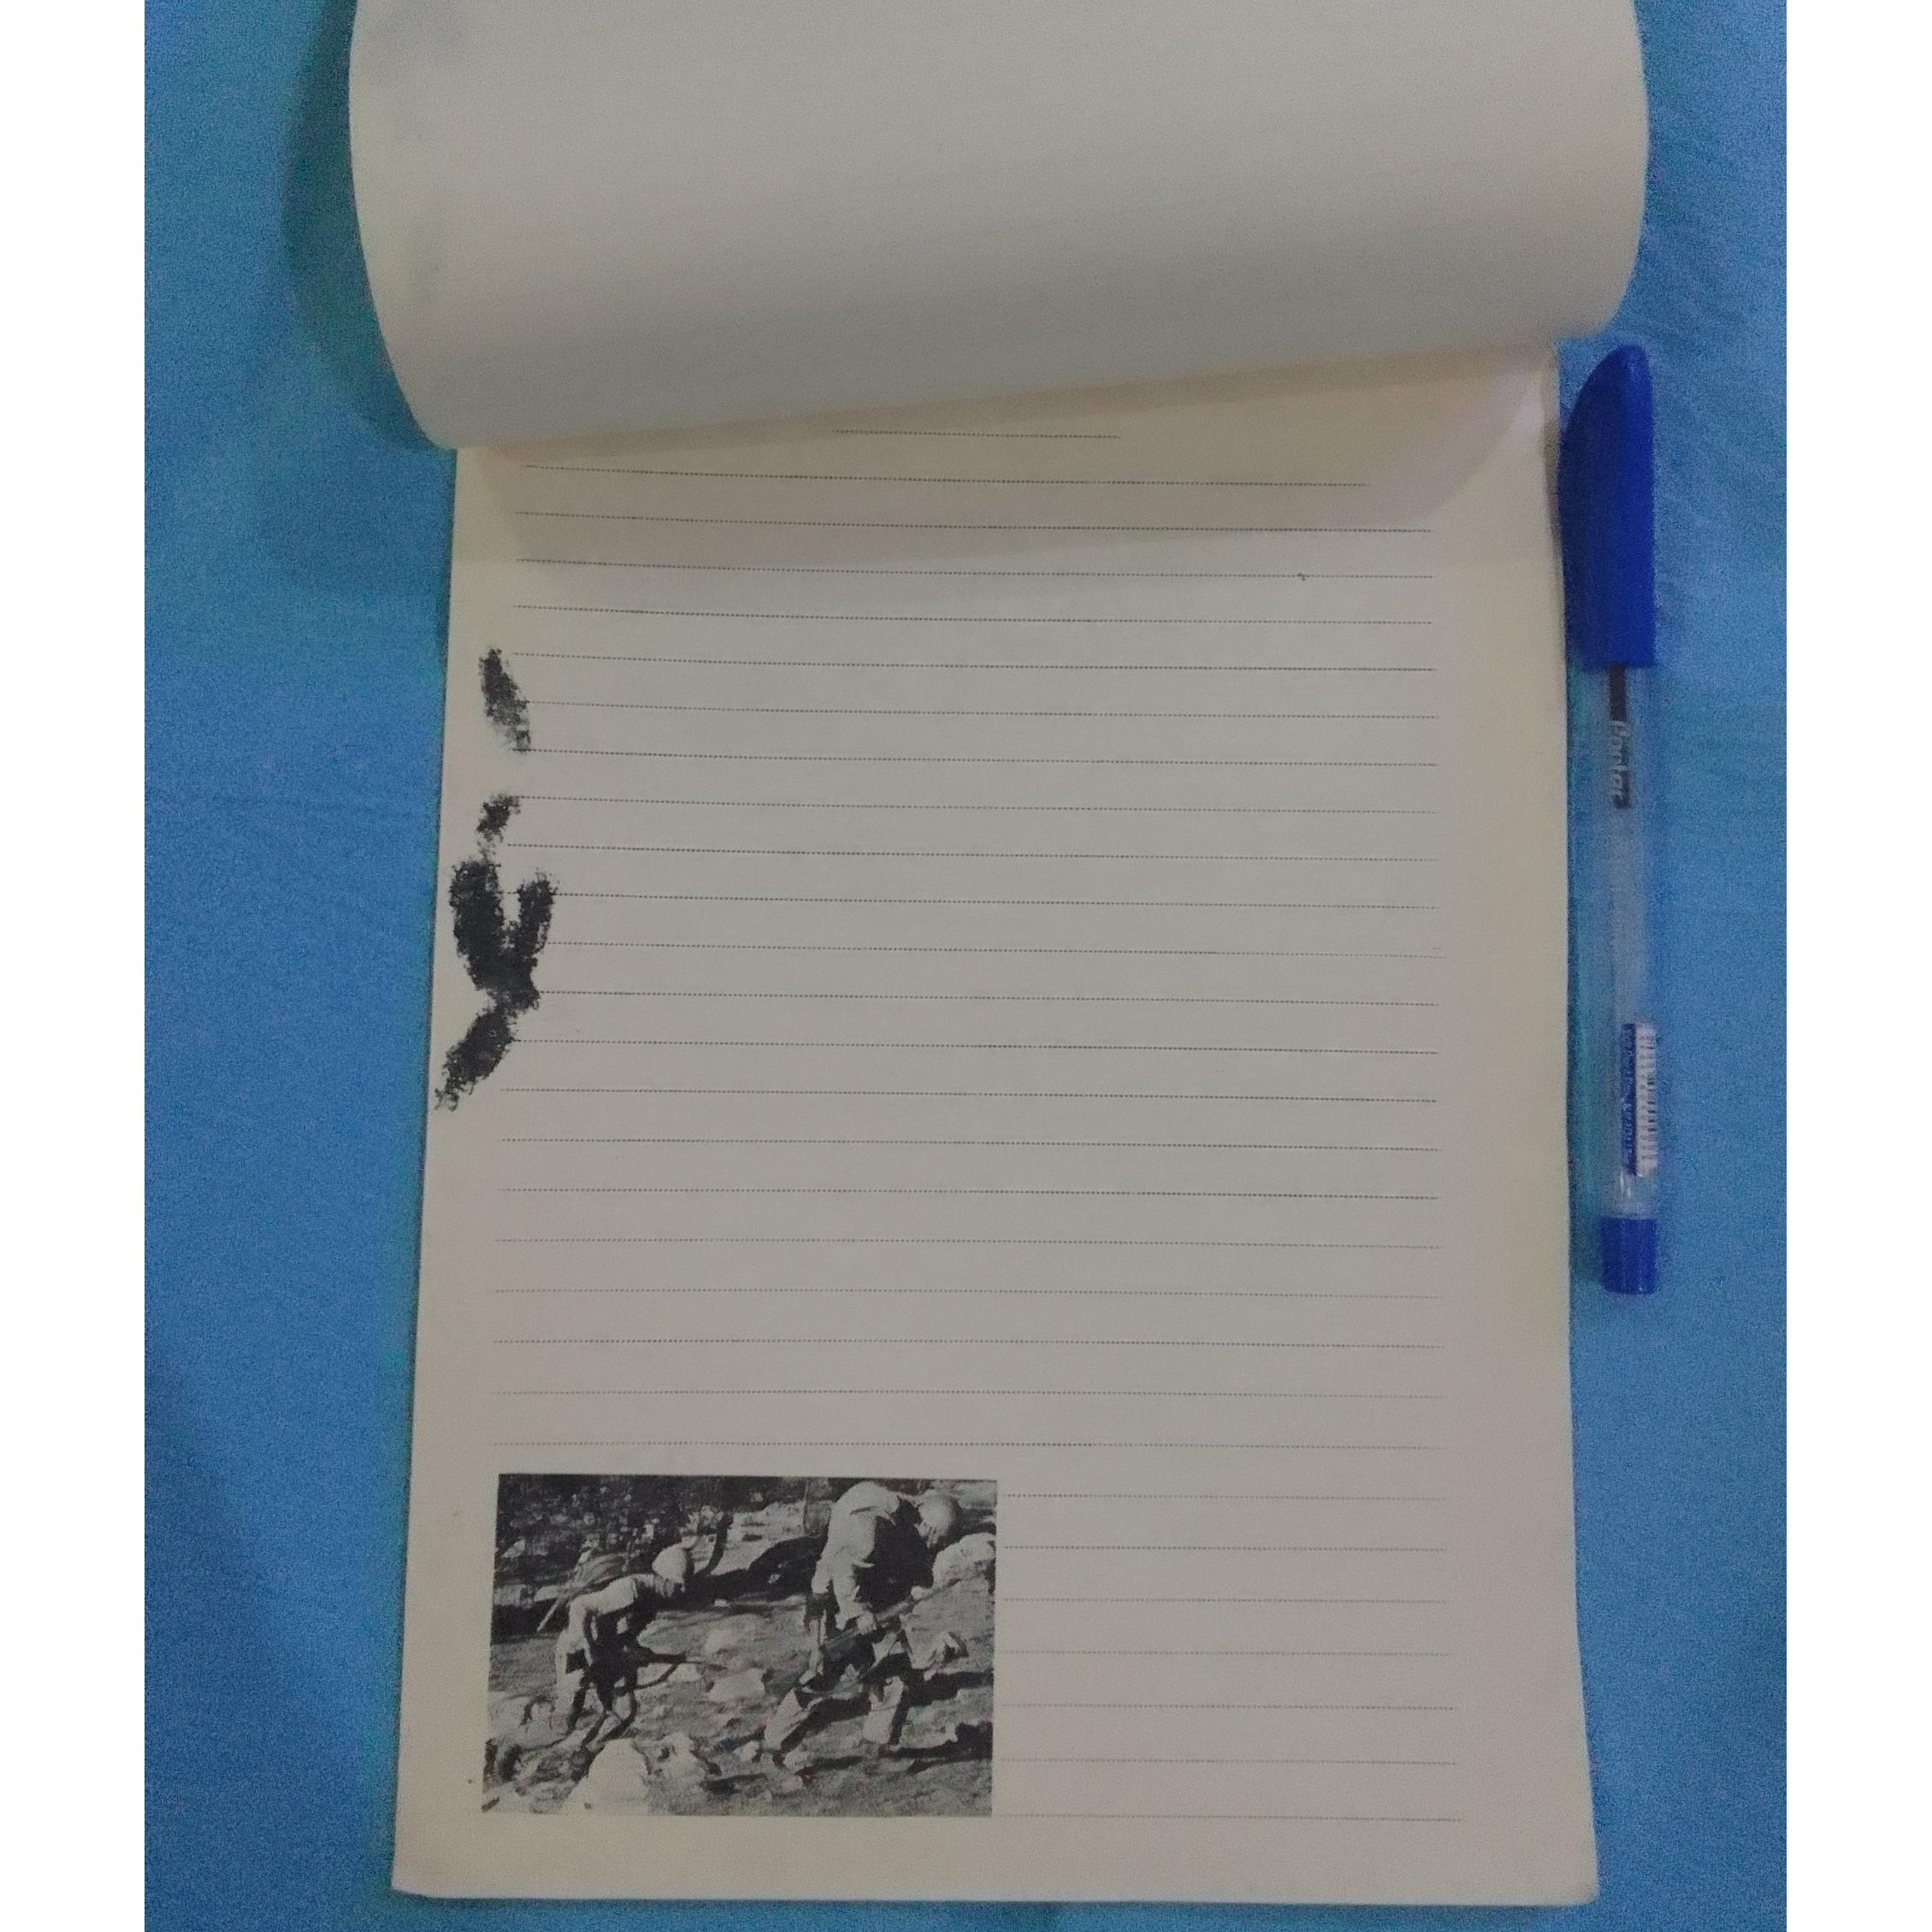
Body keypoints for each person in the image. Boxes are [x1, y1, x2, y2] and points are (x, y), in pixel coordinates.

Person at [760, 1484, 965, 1766]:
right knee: (822, 1676)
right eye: (940, 1539)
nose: (940, 1546)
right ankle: (775, 1740)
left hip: (872, 1597)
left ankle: (879, 1749)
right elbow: (844, 1572)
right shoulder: (868, 1529)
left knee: (894, 1673)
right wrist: (858, 1613)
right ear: (929, 1526)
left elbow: (909, 1566)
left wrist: (915, 1588)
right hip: (834, 1600)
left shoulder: (911, 1522)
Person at [553, 1543, 692, 1739]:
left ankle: (590, 1751)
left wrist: (639, 1652)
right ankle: (519, 1741)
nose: (684, 1589)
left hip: (604, 1654)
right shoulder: (630, 1589)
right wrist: (589, 1650)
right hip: (576, 1652)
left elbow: (623, 1634)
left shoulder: (651, 1600)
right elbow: (579, 1606)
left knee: (624, 1711)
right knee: (565, 1721)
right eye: (679, 1583)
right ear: (663, 1576)